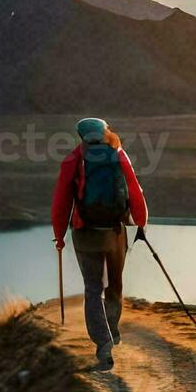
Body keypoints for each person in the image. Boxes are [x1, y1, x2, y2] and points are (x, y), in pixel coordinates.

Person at [51, 118, 148, 370]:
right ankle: (113, 332)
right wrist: (140, 222)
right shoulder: (118, 153)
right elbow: (134, 189)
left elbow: (62, 202)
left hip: (85, 234)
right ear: (105, 132)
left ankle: (103, 345)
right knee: (114, 284)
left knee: (92, 288)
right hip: (115, 233)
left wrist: (60, 236)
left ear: (81, 136)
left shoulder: (73, 160)